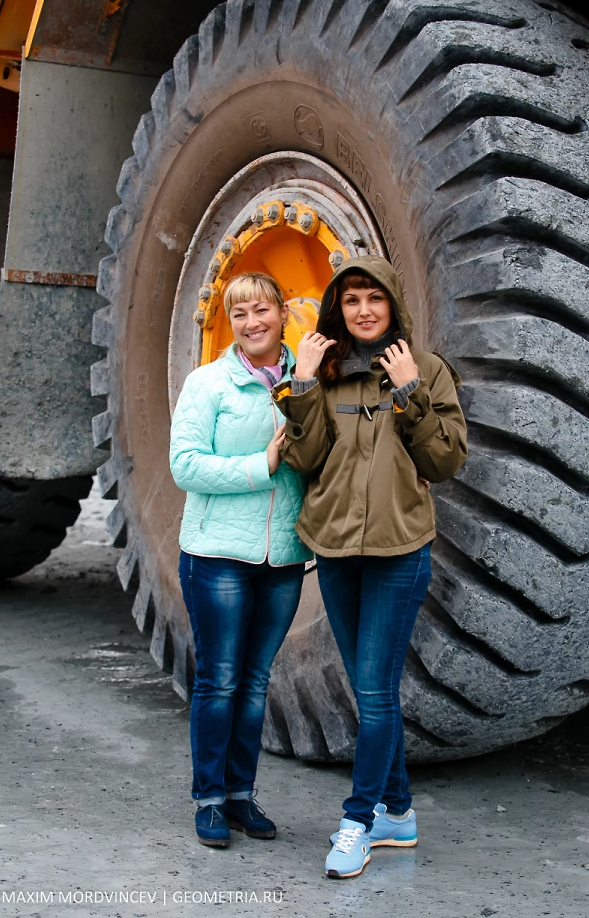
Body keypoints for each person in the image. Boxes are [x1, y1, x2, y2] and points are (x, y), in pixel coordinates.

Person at [273, 255, 467, 878]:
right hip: (335, 551)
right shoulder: (327, 373)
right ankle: (398, 813)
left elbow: (444, 462)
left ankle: (357, 822)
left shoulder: (425, 369)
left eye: (374, 298)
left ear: (393, 304)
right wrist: (303, 385)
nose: (363, 310)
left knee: (377, 691)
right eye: (351, 299)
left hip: (398, 553)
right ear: (338, 308)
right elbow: (304, 460)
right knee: (369, 690)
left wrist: (409, 391)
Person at [169, 272, 312, 849]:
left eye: (262, 310)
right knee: (221, 680)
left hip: (283, 556)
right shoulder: (209, 384)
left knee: (254, 683)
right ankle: (208, 799)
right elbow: (185, 465)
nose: (252, 323)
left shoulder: (307, 379)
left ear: (283, 313)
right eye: (239, 313)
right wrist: (261, 465)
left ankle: (239, 795)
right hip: (218, 555)